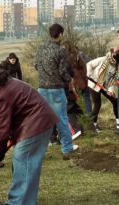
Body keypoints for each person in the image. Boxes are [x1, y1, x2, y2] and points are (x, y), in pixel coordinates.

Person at [0, 60, 59, 205]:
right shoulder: (0, 85)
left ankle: (18, 202)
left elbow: (3, 127)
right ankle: (23, 200)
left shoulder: (1, 94)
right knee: (22, 162)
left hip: (37, 121)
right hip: (32, 120)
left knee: (22, 159)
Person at [35, 23, 78, 160]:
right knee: (61, 119)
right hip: (56, 89)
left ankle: (40, 150)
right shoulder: (61, 50)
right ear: (60, 34)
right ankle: (67, 149)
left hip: (42, 88)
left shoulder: (40, 49)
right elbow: (62, 71)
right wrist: (70, 80)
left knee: (43, 121)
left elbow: (36, 65)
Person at [86, 49, 119, 132]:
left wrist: (111, 90)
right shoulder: (102, 59)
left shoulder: (116, 67)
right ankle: (94, 125)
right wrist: (89, 73)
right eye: (114, 55)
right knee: (97, 103)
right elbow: (89, 64)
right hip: (94, 83)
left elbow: (113, 81)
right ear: (112, 54)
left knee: (115, 101)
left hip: (104, 86)